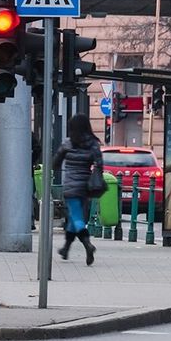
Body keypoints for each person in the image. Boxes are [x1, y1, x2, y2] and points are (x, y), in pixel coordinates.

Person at [53, 113, 102, 266]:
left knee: (76, 217)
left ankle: (88, 244)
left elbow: (56, 162)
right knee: (75, 217)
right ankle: (66, 248)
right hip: (85, 186)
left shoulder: (68, 143)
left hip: (70, 185)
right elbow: (99, 163)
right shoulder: (93, 144)